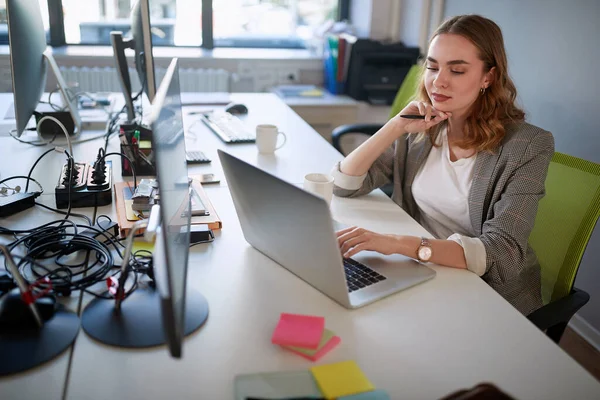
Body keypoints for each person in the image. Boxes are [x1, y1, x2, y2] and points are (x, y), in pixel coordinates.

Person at [331, 14, 554, 316]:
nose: (439, 81)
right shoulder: (425, 128)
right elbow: (345, 185)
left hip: (485, 292)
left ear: (488, 77)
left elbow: (503, 253)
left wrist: (398, 243)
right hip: (423, 271)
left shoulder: (527, 145)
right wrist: (394, 127)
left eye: (457, 70)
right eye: (432, 67)